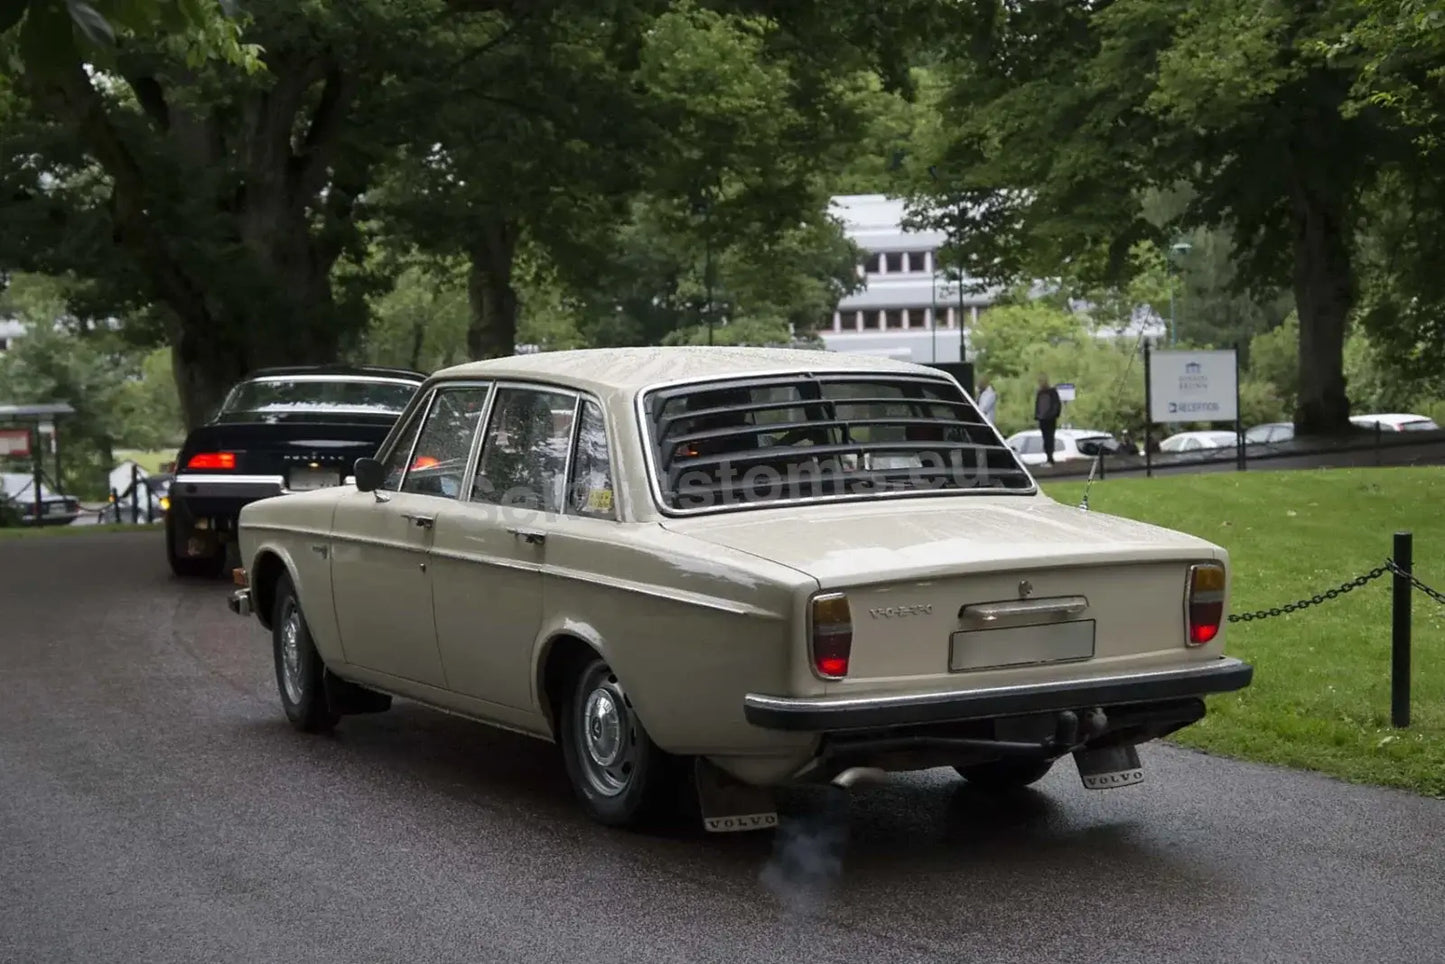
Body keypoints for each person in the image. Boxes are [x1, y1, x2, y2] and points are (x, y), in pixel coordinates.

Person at [1034, 373, 1062, 465]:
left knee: (1049, 438)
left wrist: (1052, 415)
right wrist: (1037, 415)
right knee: (1045, 438)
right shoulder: (1039, 392)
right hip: (1042, 419)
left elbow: (1056, 405)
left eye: (1042, 381)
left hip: (1050, 419)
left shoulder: (1052, 392)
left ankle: (1050, 458)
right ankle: (1048, 457)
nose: (1041, 383)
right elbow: (1037, 405)